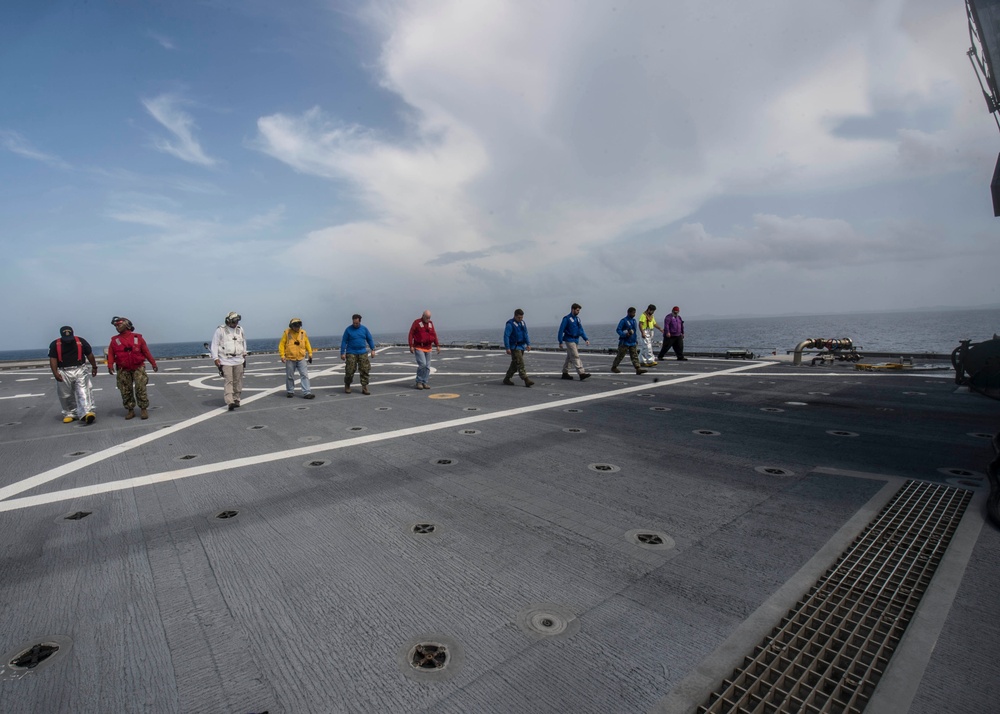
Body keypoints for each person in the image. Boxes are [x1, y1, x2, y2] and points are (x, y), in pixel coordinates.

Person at [107, 316, 159, 420]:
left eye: (119, 325)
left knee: (141, 388)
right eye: (116, 326)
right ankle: (130, 410)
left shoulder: (138, 338)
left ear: (127, 325)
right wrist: (110, 365)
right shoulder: (114, 340)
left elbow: (146, 352)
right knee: (125, 390)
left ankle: (143, 408)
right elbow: (111, 353)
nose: (117, 327)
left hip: (138, 367)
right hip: (123, 369)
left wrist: (153, 363)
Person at [48, 326, 98, 424]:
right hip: (63, 371)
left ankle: (87, 412)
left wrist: (94, 367)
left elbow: (89, 354)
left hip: (80, 369)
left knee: (83, 391)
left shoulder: (81, 342)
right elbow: (53, 359)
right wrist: (55, 373)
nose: (68, 341)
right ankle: (70, 413)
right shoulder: (55, 344)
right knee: (65, 394)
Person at [211, 311, 248, 411]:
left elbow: (243, 342)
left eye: (237, 321)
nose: (235, 323)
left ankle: (236, 399)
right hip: (226, 360)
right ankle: (230, 401)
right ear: (228, 321)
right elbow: (214, 344)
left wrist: (244, 354)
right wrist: (215, 358)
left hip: (239, 359)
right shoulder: (220, 330)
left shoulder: (240, 330)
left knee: (238, 381)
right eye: (233, 321)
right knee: (229, 381)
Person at [278, 317, 314, 399]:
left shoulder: (303, 333)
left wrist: (310, 353)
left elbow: (307, 343)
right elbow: (281, 344)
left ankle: (307, 392)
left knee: (304, 375)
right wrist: (282, 355)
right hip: (290, 358)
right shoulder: (287, 333)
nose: (297, 328)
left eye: (298, 326)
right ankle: (290, 391)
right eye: (295, 326)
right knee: (290, 376)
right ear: (291, 326)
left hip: (301, 357)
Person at [341, 314, 375, 395]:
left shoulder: (364, 329)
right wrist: (342, 352)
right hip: (351, 352)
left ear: (360, 321)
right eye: (354, 323)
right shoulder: (348, 330)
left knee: (365, 370)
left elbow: (369, 339)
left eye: (357, 323)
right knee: (349, 370)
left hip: (362, 352)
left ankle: (364, 387)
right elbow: (344, 341)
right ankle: (347, 384)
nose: (355, 324)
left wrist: (373, 349)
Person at [557, 303, 591, 381]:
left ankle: (565, 373)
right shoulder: (566, 319)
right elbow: (561, 330)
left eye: (579, 310)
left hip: (576, 340)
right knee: (575, 356)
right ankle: (581, 373)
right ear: (573, 309)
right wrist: (560, 341)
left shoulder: (577, 319)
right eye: (577, 310)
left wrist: (586, 339)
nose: (578, 312)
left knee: (569, 357)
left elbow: (581, 330)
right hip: (569, 340)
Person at [408, 310, 440, 389]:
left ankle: (424, 382)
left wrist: (437, 345)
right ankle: (419, 381)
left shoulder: (430, 324)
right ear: (423, 316)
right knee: (422, 364)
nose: (428, 319)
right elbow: (411, 334)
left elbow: (434, 334)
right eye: (427, 318)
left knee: (427, 367)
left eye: (429, 318)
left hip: (428, 348)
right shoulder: (416, 323)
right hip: (419, 347)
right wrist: (411, 345)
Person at [611, 307, 647, 375]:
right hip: (624, 342)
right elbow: (618, 330)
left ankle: (638, 368)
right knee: (620, 355)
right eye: (633, 313)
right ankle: (614, 367)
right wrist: (624, 334)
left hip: (632, 342)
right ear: (629, 312)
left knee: (634, 355)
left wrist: (635, 339)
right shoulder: (623, 321)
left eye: (634, 313)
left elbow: (635, 331)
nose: (634, 314)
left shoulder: (634, 321)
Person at [503, 308, 534, 387]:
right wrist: (507, 348)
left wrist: (528, 344)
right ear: (515, 316)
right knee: (520, 363)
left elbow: (525, 334)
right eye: (519, 317)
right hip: (514, 347)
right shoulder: (510, 324)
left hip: (521, 346)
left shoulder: (522, 323)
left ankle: (507, 378)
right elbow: (506, 336)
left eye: (521, 317)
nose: (520, 319)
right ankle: (526, 379)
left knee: (515, 364)